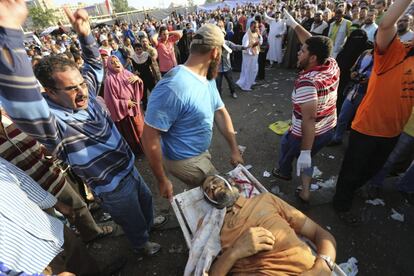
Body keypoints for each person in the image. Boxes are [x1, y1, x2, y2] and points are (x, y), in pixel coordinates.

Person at [0, 4, 164, 257]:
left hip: (128, 167)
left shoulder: (82, 90)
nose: (83, 91)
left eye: (81, 84)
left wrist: (85, 34)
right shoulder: (52, 122)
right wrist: (9, 32)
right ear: (51, 92)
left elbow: (94, 66)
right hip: (111, 187)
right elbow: (21, 99)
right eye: (72, 88)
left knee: (145, 202)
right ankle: (141, 245)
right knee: (131, 221)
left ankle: (150, 222)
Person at [333, 0, 414, 224]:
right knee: (351, 171)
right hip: (368, 126)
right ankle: (341, 205)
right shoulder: (397, 51)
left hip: (393, 132)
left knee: (372, 170)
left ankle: (353, 189)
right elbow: (387, 25)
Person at [142, 24, 244, 200]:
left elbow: (220, 112)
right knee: (226, 197)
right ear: (215, 53)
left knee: (209, 196)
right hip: (184, 161)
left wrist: (234, 148)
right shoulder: (174, 86)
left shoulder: (206, 76)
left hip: (200, 153)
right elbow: (149, 136)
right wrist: (162, 179)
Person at [0, 110, 114, 243]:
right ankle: (70, 247)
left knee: (77, 206)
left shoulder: (11, 116)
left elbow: (36, 138)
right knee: (50, 224)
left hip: (50, 173)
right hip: (29, 191)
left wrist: (46, 150)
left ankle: (92, 233)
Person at [0, 157, 125, 276]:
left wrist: (57, 204)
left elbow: (23, 181)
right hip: (28, 263)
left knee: (82, 260)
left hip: (47, 227)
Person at [202, 175, 337, 276]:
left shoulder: (265, 199)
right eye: (208, 189)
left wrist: (322, 267)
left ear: (232, 181)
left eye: (215, 181)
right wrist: (235, 250)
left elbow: (320, 233)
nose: (212, 187)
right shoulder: (215, 229)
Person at [272, 10, 339, 204]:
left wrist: (305, 151)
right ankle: (305, 190)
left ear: (312, 58)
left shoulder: (308, 83)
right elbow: (312, 41)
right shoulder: (331, 63)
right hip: (328, 127)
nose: (298, 52)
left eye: (302, 51)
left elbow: (309, 120)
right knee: (295, 150)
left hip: (308, 131)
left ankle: (285, 172)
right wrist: (294, 24)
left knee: (294, 151)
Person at [330, 49, 374, 145]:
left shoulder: (384, 59)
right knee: (343, 115)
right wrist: (353, 74)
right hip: (355, 90)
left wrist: (370, 81)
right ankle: (337, 137)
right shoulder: (365, 53)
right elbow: (354, 68)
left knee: (359, 122)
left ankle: (353, 144)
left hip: (369, 95)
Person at [104, 56, 145, 155]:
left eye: (117, 61)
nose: (116, 64)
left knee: (140, 129)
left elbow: (137, 85)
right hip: (124, 113)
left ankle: (145, 146)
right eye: (112, 63)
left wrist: (138, 80)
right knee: (131, 133)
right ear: (109, 66)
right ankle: (137, 152)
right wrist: (126, 103)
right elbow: (110, 101)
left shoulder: (127, 73)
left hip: (135, 108)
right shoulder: (109, 80)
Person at [216, 20, 245, 99]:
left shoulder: (228, 43)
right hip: (217, 69)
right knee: (218, 84)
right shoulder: (214, 44)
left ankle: (233, 92)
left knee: (231, 82)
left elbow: (235, 47)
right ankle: (218, 97)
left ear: (224, 34)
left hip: (227, 67)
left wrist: (244, 47)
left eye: (222, 34)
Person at [236, 21, 262, 91]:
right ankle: (245, 86)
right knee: (247, 70)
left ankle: (251, 81)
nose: (256, 28)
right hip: (248, 56)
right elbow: (244, 47)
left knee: (254, 69)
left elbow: (261, 41)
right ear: (251, 26)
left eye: (257, 27)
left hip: (255, 54)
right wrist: (253, 45)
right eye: (254, 27)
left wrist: (259, 35)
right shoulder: (246, 35)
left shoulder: (257, 33)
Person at [132, 43, 159, 109]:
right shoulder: (133, 58)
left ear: (142, 49)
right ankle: (146, 107)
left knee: (153, 90)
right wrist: (135, 73)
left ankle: (158, 103)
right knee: (143, 93)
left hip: (149, 76)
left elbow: (151, 66)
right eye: (137, 50)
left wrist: (155, 75)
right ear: (135, 50)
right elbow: (135, 69)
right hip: (141, 78)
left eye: (140, 49)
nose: (139, 51)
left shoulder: (147, 55)